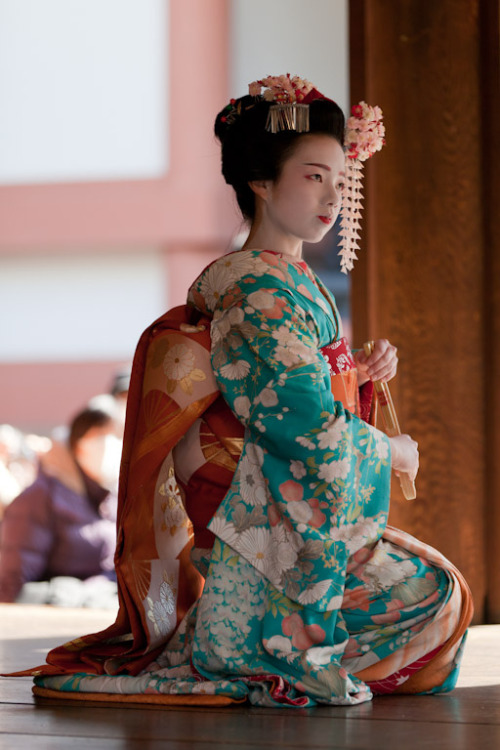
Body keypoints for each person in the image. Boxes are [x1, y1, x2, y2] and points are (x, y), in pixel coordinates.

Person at [22, 75, 472, 705]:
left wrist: (357, 379)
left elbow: (302, 393)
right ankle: (253, 643)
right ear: (261, 182)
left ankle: (249, 636)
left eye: (340, 181)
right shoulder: (258, 290)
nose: (333, 196)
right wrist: (392, 451)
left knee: (439, 596)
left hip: (274, 503)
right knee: (433, 601)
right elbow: (300, 423)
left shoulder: (285, 283)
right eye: (314, 176)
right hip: (254, 519)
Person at [0, 399, 122, 608]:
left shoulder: (107, 497)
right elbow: (12, 585)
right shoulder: (40, 498)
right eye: (102, 436)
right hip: (54, 625)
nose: (113, 445)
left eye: (118, 437)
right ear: (79, 443)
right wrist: (79, 596)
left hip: (95, 619)